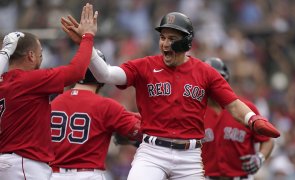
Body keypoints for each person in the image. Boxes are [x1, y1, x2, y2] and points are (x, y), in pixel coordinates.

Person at [61, 11, 280, 180]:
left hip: (189, 156)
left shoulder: (205, 72)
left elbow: (233, 104)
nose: (165, 43)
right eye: (163, 37)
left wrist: (253, 119)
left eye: (172, 38)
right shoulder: (145, 66)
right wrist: (87, 43)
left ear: (186, 42)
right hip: (152, 152)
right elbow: (106, 73)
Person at [0, 3, 97, 179]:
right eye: (40, 53)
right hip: (25, 165)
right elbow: (76, 71)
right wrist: (87, 37)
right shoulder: (29, 80)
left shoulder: (3, 82)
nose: (41, 57)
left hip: (11, 163)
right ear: (30, 55)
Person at [49, 49, 142, 180]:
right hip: (88, 174)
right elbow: (142, 131)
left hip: (54, 174)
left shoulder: (54, 103)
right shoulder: (105, 106)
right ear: (101, 76)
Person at [201, 57, 274, 180]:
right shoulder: (194, 111)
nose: (212, 84)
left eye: (217, 78)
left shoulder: (245, 108)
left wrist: (260, 158)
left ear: (225, 81)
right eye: (208, 79)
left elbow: (267, 140)